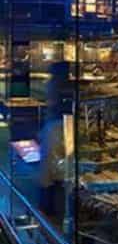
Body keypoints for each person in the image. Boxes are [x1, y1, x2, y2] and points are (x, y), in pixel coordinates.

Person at [37, 61, 71, 219]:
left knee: (50, 171)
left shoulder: (53, 84)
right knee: (52, 171)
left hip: (56, 126)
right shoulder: (56, 85)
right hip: (56, 127)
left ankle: (49, 205)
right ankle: (49, 206)